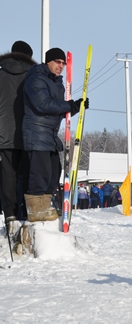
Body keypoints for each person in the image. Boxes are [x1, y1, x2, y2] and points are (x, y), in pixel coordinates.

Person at [22, 47, 88, 222]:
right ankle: (36, 210)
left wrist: (76, 107)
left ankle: (44, 206)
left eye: (63, 63)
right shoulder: (37, 78)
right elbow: (43, 104)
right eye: (57, 62)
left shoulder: (56, 82)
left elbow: (57, 109)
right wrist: (68, 105)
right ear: (48, 62)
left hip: (50, 135)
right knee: (40, 174)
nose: (61, 66)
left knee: (53, 173)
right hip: (37, 134)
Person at [0, 40, 36, 231]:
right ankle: (26, 213)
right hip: (28, 132)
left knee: (8, 175)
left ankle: (10, 214)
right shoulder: (34, 75)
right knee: (27, 174)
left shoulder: (1, 74)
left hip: (4, 134)